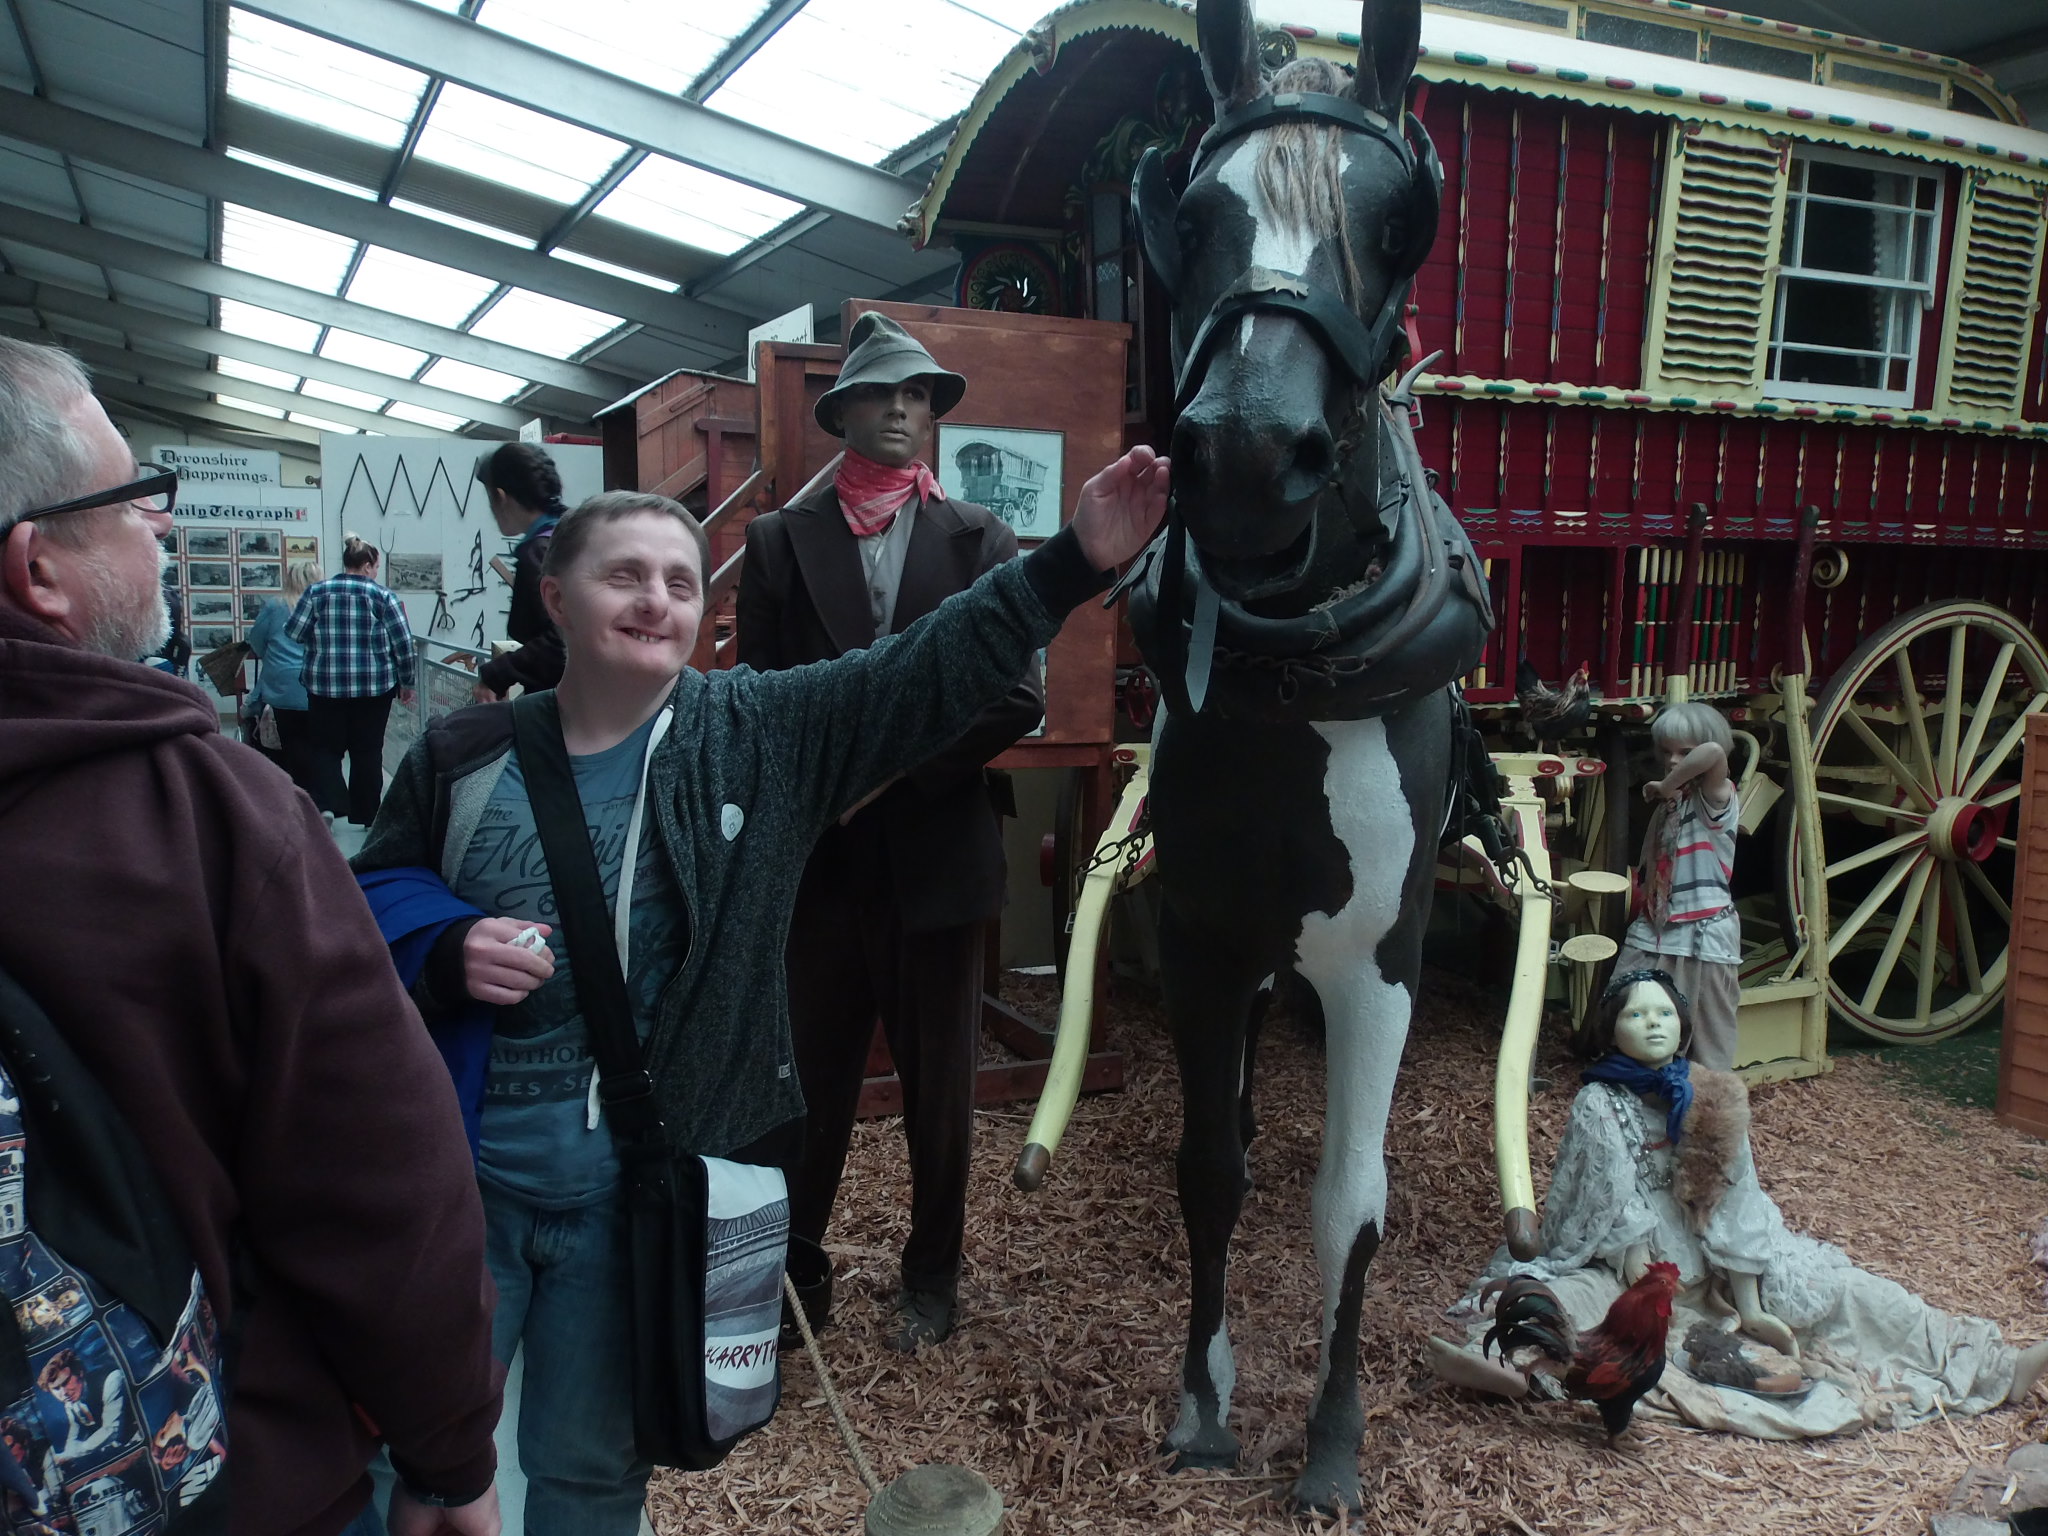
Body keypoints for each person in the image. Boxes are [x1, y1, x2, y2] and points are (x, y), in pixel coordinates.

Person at [354, 437, 1167, 1530]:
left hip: (636, 1193)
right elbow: (374, 893)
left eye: (679, 582)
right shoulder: (463, 754)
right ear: (553, 597)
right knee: (414, 1463)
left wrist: (1071, 560)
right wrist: (447, 944)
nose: (655, 600)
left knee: (591, 1467)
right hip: (468, 1186)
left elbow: (921, 667)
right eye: (623, 575)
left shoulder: (753, 737)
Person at [0, 335, 502, 1535]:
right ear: (39, 570)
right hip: (204, 1478)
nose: (163, 528)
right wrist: (448, 1451)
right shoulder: (202, 817)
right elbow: (374, 1175)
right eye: (136, 500)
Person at [737, 312, 1044, 1351]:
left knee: (940, 1085)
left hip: (938, 846)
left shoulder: (979, 537)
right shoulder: (778, 542)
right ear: (842, 414)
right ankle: (794, 1278)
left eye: (918, 394)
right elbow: (759, 699)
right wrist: (829, 784)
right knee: (806, 1079)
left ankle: (932, 1278)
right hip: (820, 860)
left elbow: (1017, 695)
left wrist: (892, 771)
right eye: (881, 393)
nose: (903, 410)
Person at [1431, 970, 2048, 1436]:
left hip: (1720, 1265)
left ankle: (1992, 1362)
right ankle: (1511, 1364)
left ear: (1683, 1025)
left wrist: (1750, 1303)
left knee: (1844, 1292)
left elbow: (1738, 1197)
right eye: (1636, 1014)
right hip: (1631, 1269)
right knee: (1569, 1303)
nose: (1653, 1024)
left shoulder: (1714, 1096)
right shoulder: (1599, 1102)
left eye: (1665, 1013)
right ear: (1611, 1028)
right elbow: (1599, 1198)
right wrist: (1636, 1264)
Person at [1616, 700, 1740, 1069]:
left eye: (1684, 752)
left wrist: (1665, 785)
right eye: (1667, 752)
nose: (1673, 760)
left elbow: (1713, 752)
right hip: (1656, 925)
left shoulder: (1715, 797)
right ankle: (1636, 1087)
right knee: (1626, 1003)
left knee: (1705, 1035)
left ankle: (1708, 1098)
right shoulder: (1674, 802)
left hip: (1701, 930)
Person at [288, 533, 417, 826]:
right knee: (367, 750)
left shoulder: (316, 593)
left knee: (325, 749)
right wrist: (407, 682)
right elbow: (403, 644)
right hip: (374, 688)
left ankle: (330, 806)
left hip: (324, 686)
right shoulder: (383, 596)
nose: (376, 573)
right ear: (367, 565)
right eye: (376, 567)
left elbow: (294, 632)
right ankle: (368, 814)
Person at [473, 443, 569, 702]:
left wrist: (497, 674)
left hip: (563, 702)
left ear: (500, 497)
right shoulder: (571, 535)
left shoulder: (538, 553)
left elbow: (562, 640)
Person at [247, 557, 321, 796]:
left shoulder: (275, 606)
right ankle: (316, 797)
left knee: (289, 740)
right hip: (317, 683)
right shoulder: (322, 607)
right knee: (319, 744)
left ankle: (290, 792)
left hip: (281, 685)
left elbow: (256, 640)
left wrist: (272, 656)